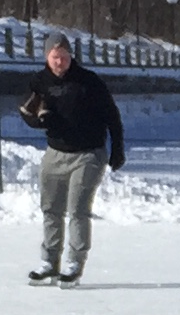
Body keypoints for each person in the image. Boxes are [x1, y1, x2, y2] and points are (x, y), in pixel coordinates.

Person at [16, 34, 125, 283]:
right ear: (47, 57)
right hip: (55, 153)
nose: (60, 62)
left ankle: (75, 262)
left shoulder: (88, 81)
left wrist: (118, 147)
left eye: (64, 57)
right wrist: (36, 120)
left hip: (89, 153)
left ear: (71, 56)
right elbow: (28, 111)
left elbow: (112, 115)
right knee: (51, 208)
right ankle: (49, 261)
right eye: (55, 57)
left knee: (77, 209)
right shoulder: (39, 82)